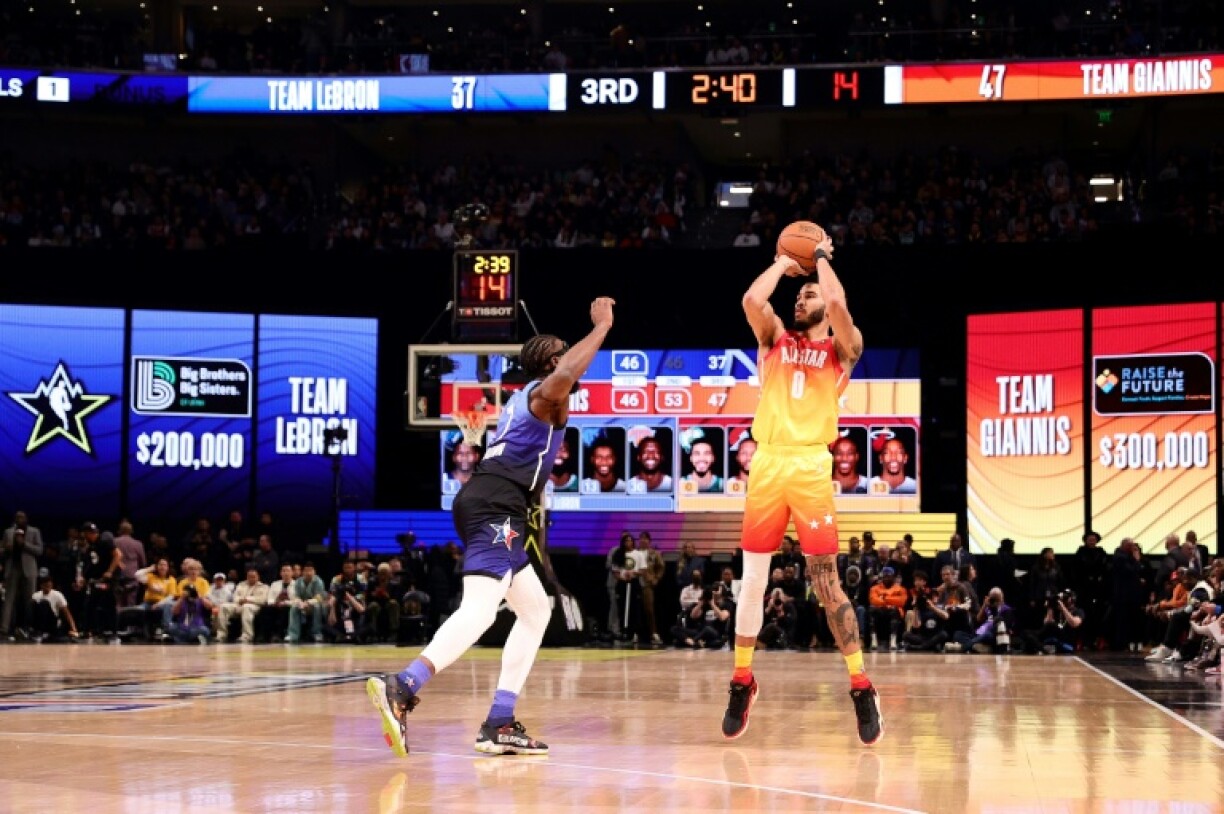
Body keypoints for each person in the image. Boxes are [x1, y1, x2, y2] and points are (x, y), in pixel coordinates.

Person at [369, 296, 616, 757]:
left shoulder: (531, 401)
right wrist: (602, 327)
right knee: (481, 610)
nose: (571, 359)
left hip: (496, 502)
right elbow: (567, 374)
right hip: (496, 504)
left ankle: (500, 722)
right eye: (564, 352)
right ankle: (403, 685)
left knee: (536, 610)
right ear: (553, 362)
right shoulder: (543, 394)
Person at [722, 233, 883, 746]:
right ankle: (742, 681)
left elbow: (837, 304)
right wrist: (779, 263)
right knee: (752, 581)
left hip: (811, 466)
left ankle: (861, 686)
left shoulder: (842, 347)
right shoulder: (773, 338)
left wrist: (818, 258)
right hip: (768, 463)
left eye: (807, 294)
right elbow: (752, 300)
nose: (801, 298)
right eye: (799, 294)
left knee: (826, 583)